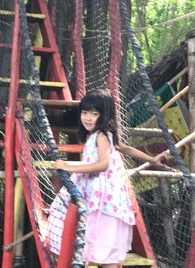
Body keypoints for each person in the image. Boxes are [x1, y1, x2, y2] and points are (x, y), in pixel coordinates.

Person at [44, 89, 166, 267]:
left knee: (99, 248)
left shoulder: (100, 136)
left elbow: (103, 164)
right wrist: (151, 159)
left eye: (94, 114)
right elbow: (126, 148)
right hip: (101, 193)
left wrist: (68, 166)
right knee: (99, 249)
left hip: (100, 195)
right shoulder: (104, 134)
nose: (87, 118)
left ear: (104, 115)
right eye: (85, 113)